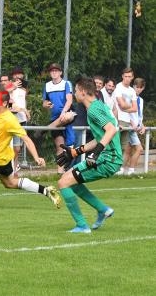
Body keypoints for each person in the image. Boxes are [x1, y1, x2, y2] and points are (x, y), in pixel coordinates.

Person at [55, 77, 122, 233]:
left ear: (83, 92)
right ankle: (102, 210)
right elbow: (100, 137)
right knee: (72, 182)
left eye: (76, 91)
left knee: (63, 182)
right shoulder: (98, 106)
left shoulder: (93, 109)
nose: (75, 94)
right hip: (109, 158)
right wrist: (76, 151)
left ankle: (82, 225)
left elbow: (111, 130)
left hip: (107, 159)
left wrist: (95, 154)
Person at [42, 62, 75, 175]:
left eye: (56, 70)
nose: (54, 72)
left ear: (60, 72)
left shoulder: (67, 83)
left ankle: (46, 129)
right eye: (52, 71)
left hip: (66, 114)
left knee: (68, 117)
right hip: (54, 118)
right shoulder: (47, 85)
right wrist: (46, 104)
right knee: (60, 145)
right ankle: (60, 172)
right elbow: (44, 102)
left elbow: (69, 100)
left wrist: (63, 112)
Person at [111, 67, 137, 175]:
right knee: (114, 145)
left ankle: (119, 167)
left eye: (129, 76)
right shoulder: (118, 88)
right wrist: (128, 106)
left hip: (127, 120)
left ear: (132, 77)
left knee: (123, 147)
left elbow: (135, 108)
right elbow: (120, 105)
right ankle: (111, 167)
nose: (127, 78)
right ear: (122, 76)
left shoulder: (132, 91)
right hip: (118, 119)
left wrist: (126, 107)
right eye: (125, 76)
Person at [122, 77, 146, 175]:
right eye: (137, 87)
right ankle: (131, 171)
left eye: (141, 87)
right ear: (133, 86)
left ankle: (121, 170)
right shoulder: (129, 98)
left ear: (143, 88)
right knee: (139, 149)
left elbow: (139, 115)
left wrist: (142, 126)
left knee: (128, 149)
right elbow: (126, 112)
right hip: (130, 127)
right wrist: (133, 124)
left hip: (136, 127)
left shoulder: (141, 100)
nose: (138, 89)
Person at [10, 68, 30, 170]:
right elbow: (11, 105)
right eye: (15, 74)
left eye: (20, 74)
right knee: (16, 147)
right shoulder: (10, 86)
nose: (17, 76)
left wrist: (26, 111)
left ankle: (15, 165)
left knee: (19, 146)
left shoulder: (24, 88)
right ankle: (12, 167)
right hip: (13, 118)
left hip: (22, 118)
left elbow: (23, 101)